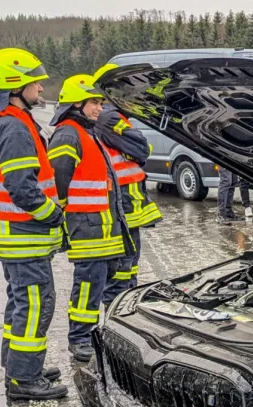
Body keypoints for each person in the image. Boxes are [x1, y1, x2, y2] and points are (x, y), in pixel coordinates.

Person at [0, 48, 67, 400]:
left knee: (20, 302)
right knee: (35, 304)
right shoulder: (13, 126)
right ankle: (23, 380)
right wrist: (54, 215)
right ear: (15, 86)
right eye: (35, 83)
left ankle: (18, 367)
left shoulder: (0, 119)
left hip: (11, 234)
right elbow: (22, 189)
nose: (42, 88)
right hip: (23, 233)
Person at [46, 74, 130, 363]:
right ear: (75, 104)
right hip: (87, 227)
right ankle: (79, 338)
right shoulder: (68, 133)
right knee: (88, 285)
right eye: (94, 102)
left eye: (100, 103)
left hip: (102, 227)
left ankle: (105, 332)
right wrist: (69, 218)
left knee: (106, 281)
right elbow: (58, 180)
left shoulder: (86, 132)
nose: (99, 108)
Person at [92, 63, 161, 301]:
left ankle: (125, 308)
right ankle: (117, 317)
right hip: (122, 205)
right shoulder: (109, 118)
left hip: (126, 206)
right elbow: (141, 148)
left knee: (128, 269)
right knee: (121, 271)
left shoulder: (109, 116)